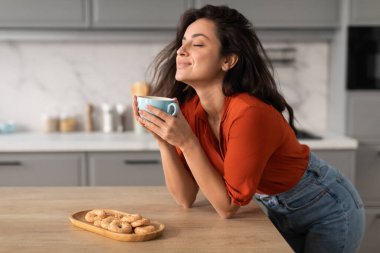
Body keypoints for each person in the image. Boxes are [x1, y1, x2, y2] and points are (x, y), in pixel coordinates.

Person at [133, 5, 365, 253]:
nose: (181, 50)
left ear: (228, 60)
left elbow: (227, 207)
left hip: (328, 207)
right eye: (182, 42)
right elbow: (185, 198)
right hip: (278, 209)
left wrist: (188, 142)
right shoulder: (190, 110)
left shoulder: (249, 114)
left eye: (197, 44)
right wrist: (164, 141)